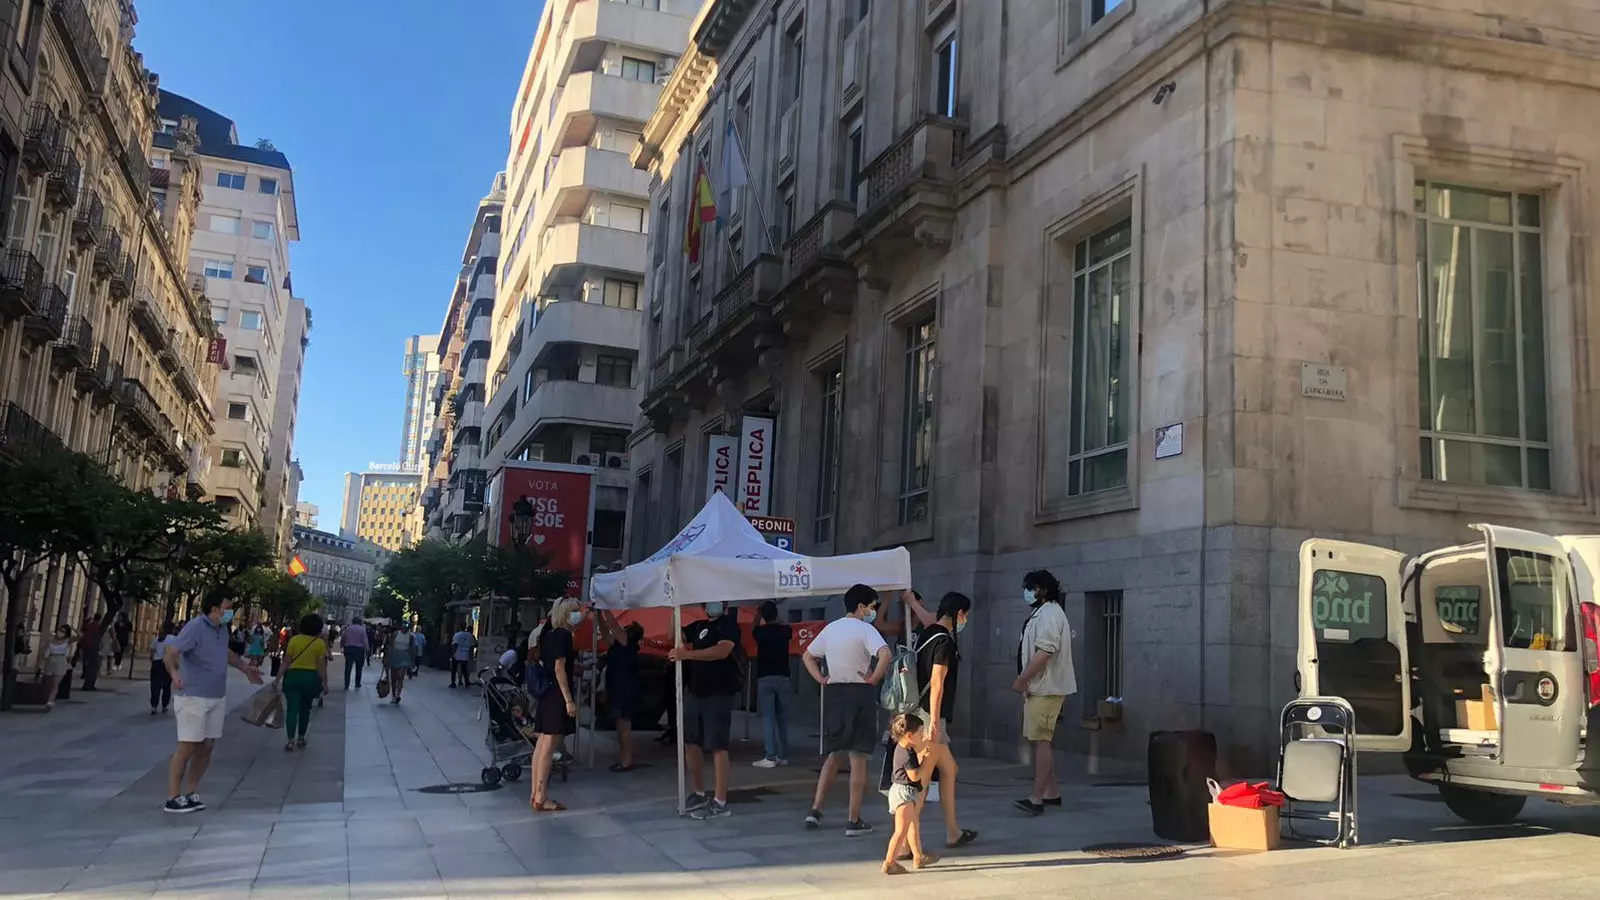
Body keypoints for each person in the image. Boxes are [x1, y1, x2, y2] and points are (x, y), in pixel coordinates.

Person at [803, 584, 892, 837]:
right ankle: (853, 819)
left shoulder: (831, 628)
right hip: (860, 693)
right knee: (858, 758)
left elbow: (808, 656)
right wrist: (873, 678)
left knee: (834, 754)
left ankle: (815, 809)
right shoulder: (866, 630)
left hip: (835, 694)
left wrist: (821, 679)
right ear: (861, 607)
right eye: (872, 606)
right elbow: (885, 654)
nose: (873, 611)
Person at [163, 591, 264, 813]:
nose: (230, 612)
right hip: (193, 695)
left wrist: (246, 668)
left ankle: (191, 792)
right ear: (215, 609)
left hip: (216, 695)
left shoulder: (222, 629)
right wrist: (174, 674)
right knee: (187, 746)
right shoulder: (196, 626)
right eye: (227, 608)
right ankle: (173, 797)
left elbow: (225, 653)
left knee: (207, 747)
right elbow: (171, 651)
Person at [901, 590, 978, 848]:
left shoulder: (928, 633)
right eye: (965, 615)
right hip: (931, 717)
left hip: (922, 713)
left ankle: (953, 832)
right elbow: (937, 683)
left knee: (949, 770)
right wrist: (934, 722)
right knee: (922, 781)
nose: (965, 620)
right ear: (959, 613)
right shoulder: (944, 642)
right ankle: (905, 844)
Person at [1012, 569, 1077, 815]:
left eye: (1031, 588)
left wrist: (1023, 679)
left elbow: (1045, 652)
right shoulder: (1042, 613)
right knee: (1040, 739)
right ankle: (1051, 792)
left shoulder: (1050, 614)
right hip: (1040, 687)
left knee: (1042, 741)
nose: (1027, 593)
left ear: (1044, 590)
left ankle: (1037, 798)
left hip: (1046, 688)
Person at [670, 602, 742, 820]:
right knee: (691, 743)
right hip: (695, 692)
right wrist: (673, 610)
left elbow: (722, 650)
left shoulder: (728, 624)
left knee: (718, 745)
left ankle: (720, 800)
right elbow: (674, 635)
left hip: (718, 692)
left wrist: (688, 655)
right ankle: (699, 792)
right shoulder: (699, 626)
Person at [530, 598, 581, 813]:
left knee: (542, 744)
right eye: (574, 611)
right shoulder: (563, 636)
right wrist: (568, 699)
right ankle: (541, 797)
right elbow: (560, 668)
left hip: (548, 692)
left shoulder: (549, 634)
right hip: (557, 694)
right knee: (549, 746)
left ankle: (536, 793)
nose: (578, 614)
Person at [882, 712, 940, 874]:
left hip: (903, 792)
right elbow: (914, 775)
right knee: (901, 831)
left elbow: (919, 745)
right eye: (920, 733)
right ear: (909, 735)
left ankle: (918, 856)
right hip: (904, 793)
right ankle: (889, 862)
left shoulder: (903, 747)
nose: (922, 736)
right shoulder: (907, 753)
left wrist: (928, 740)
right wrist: (926, 760)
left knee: (912, 824)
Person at [596, 610, 644, 773]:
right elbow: (605, 631)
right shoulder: (618, 644)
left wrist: (604, 607)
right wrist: (598, 615)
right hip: (618, 689)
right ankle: (624, 758)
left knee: (624, 726)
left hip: (625, 689)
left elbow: (613, 626)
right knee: (620, 725)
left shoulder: (627, 643)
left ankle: (626, 761)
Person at [752, 600, 793, 769]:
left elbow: (754, 626)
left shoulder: (759, 632)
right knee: (782, 717)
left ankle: (770, 756)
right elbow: (783, 623)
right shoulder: (786, 631)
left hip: (765, 678)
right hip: (783, 677)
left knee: (768, 718)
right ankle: (783, 755)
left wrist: (758, 614)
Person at [282, 614, 330, 751]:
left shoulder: (294, 640)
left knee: (292, 709)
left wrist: (277, 679)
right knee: (305, 709)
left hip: (293, 676)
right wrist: (325, 683)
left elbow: (286, 662)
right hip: (310, 678)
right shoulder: (319, 643)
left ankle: (290, 740)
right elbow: (321, 667)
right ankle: (301, 737)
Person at [40, 625, 76, 712]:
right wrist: (41, 662)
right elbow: (43, 649)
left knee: (55, 684)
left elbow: (80, 636)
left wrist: (73, 629)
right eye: (60, 630)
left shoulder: (67, 640)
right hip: (50, 660)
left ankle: (50, 701)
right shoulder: (50, 639)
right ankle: (51, 698)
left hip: (61, 661)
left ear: (66, 633)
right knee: (48, 684)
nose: (61, 632)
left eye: (63, 631)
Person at [384, 622, 417, 704]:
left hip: (404, 656)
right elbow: (390, 646)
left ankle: (398, 694)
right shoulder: (395, 634)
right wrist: (387, 658)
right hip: (395, 655)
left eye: (407, 627)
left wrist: (412, 661)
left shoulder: (411, 636)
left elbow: (411, 649)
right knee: (393, 677)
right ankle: (393, 695)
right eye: (404, 626)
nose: (405, 628)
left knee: (400, 676)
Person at [150, 621, 178, 715]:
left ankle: (154, 706)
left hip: (156, 663)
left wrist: (153, 661)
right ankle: (164, 705)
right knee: (166, 686)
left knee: (155, 685)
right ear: (172, 629)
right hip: (167, 664)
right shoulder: (174, 639)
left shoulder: (157, 638)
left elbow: (151, 652)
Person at [341, 617, 369, 689]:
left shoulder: (348, 629)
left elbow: (343, 638)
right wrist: (367, 650)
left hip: (349, 649)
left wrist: (342, 646)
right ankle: (357, 683)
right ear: (360, 622)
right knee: (359, 668)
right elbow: (365, 641)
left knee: (348, 668)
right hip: (359, 650)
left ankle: (346, 684)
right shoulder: (362, 629)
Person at [78, 613, 104, 691]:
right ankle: (89, 684)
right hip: (92, 648)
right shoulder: (98, 627)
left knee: (88, 665)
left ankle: (87, 681)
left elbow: (83, 635)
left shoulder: (89, 625)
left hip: (86, 647)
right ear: (100, 619)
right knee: (93, 667)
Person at [450, 623, 477, 688]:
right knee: (464, 669)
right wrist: (470, 655)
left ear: (459, 627)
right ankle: (467, 681)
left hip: (457, 654)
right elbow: (472, 645)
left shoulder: (457, 635)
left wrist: (452, 654)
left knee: (454, 669)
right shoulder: (470, 635)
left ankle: (453, 682)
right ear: (465, 627)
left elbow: (455, 645)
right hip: (465, 654)